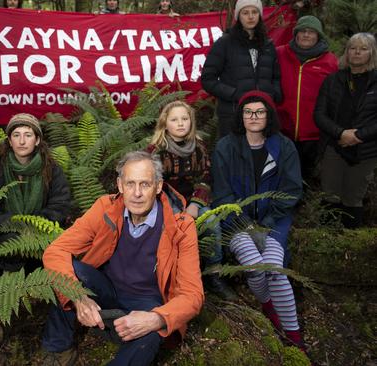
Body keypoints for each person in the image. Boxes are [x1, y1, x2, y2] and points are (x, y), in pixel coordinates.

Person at [40, 151, 204, 366]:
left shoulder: (181, 226)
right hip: (107, 291)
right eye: (130, 184)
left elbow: (193, 294)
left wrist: (155, 318)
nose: (136, 193)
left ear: (158, 186)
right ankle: (58, 349)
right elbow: (55, 251)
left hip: (147, 302)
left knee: (155, 331)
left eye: (145, 184)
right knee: (69, 271)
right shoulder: (105, 208)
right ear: (119, 185)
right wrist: (77, 296)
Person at [211, 90, 305, 351]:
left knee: (274, 269)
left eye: (260, 112)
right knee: (253, 265)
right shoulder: (225, 147)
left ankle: (295, 338)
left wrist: (269, 220)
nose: (253, 116)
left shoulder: (283, 146)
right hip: (236, 221)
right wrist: (243, 223)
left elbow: (292, 189)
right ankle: (269, 308)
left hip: (273, 220)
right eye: (248, 112)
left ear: (268, 116)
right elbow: (221, 193)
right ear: (241, 116)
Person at [147, 101, 236, 301]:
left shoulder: (199, 148)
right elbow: (151, 183)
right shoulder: (156, 151)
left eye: (185, 119)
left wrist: (196, 204)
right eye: (174, 119)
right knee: (173, 230)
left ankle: (214, 274)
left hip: (195, 201)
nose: (180, 124)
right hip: (165, 202)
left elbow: (205, 177)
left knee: (212, 223)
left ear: (191, 122)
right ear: (164, 124)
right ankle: (173, 277)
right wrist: (173, 207)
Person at [0, 113, 71, 274]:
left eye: (28, 135)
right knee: (11, 244)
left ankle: (43, 293)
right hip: (6, 233)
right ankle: (10, 292)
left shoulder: (52, 170)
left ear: (37, 140)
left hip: (42, 231)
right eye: (16, 135)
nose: (22, 141)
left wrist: (33, 226)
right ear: (10, 141)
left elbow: (59, 206)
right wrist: (16, 225)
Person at [315, 33, 377, 228]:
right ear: (347, 52)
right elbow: (319, 114)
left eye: (363, 48)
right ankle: (325, 242)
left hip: (366, 150)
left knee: (353, 198)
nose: (357, 52)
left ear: (372, 53)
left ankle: (350, 246)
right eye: (352, 48)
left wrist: (358, 135)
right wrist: (341, 133)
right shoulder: (333, 80)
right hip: (334, 146)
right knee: (330, 196)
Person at [201, 0, 282, 137]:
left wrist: (273, 95)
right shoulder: (225, 43)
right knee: (234, 155)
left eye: (254, 12)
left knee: (260, 155)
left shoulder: (268, 45)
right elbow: (208, 79)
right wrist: (234, 94)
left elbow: (275, 77)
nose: (250, 17)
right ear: (238, 16)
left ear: (260, 15)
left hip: (263, 114)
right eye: (245, 13)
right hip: (233, 114)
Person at [276, 16, 338, 180]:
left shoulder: (330, 61)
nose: (306, 35)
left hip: (313, 131)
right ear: (295, 34)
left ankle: (302, 203)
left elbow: (335, 96)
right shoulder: (280, 53)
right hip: (282, 127)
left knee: (305, 173)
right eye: (302, 31)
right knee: (280, 170)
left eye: (311, 32)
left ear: (318, 36)